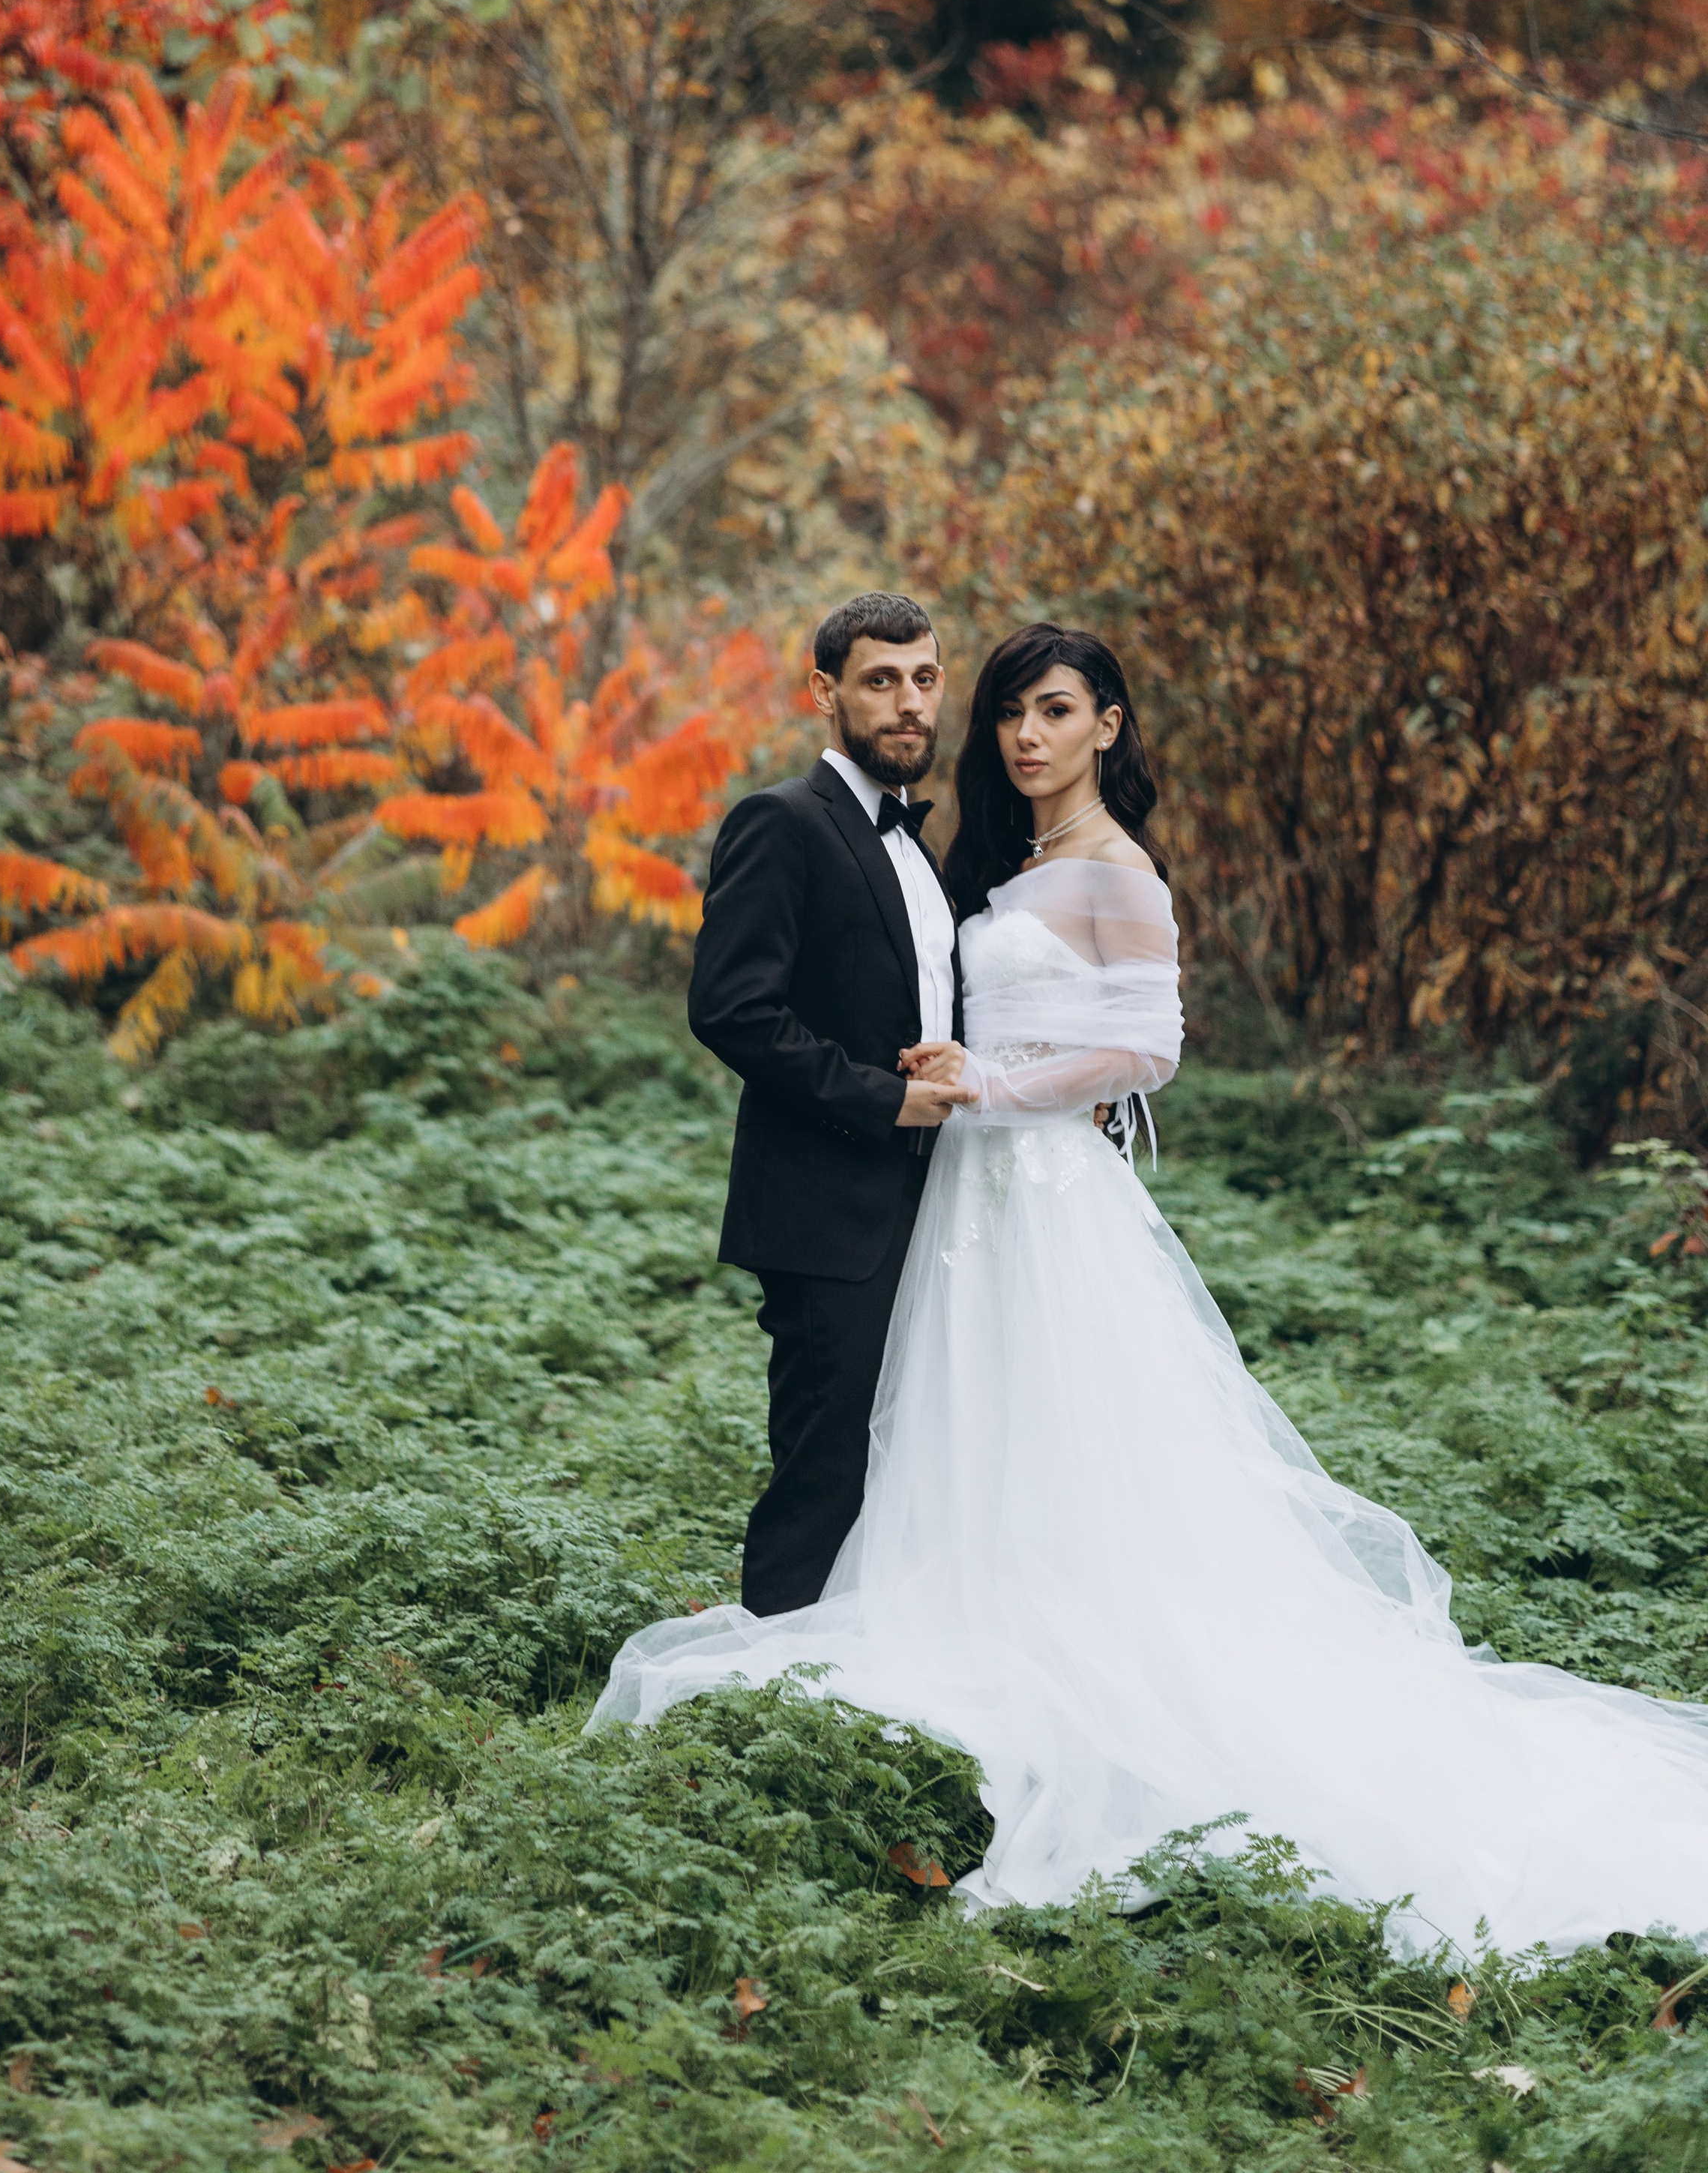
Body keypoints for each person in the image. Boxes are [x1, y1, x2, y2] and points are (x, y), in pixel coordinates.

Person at [594, 622, 1708, 1959]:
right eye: (1008, 709)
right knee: (939, 1443)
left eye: (1051, 709)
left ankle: (1074, 1701)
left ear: (1108, 725)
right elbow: (791, 1007)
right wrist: (950, 1087)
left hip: (1035, 1196)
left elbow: (1149, 1048)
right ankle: (850, 1704)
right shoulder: (971, 858)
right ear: (830, 693)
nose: (1023, 733)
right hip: (950, 1199)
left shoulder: (1118, 869)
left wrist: (989, 1088)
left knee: (1068, 1450)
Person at [685, 591, 963, 1618]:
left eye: (924, 680)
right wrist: (886, 1100)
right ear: (824, 692)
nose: (908, 703)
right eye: (881, 681)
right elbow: (731, 1010)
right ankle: (770, 1678)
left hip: (932, 1206)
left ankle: (860, 1670)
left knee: (909, 1464)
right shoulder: (782, 822)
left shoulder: (919, 850)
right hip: (825, 1212)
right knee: (826, 1469)